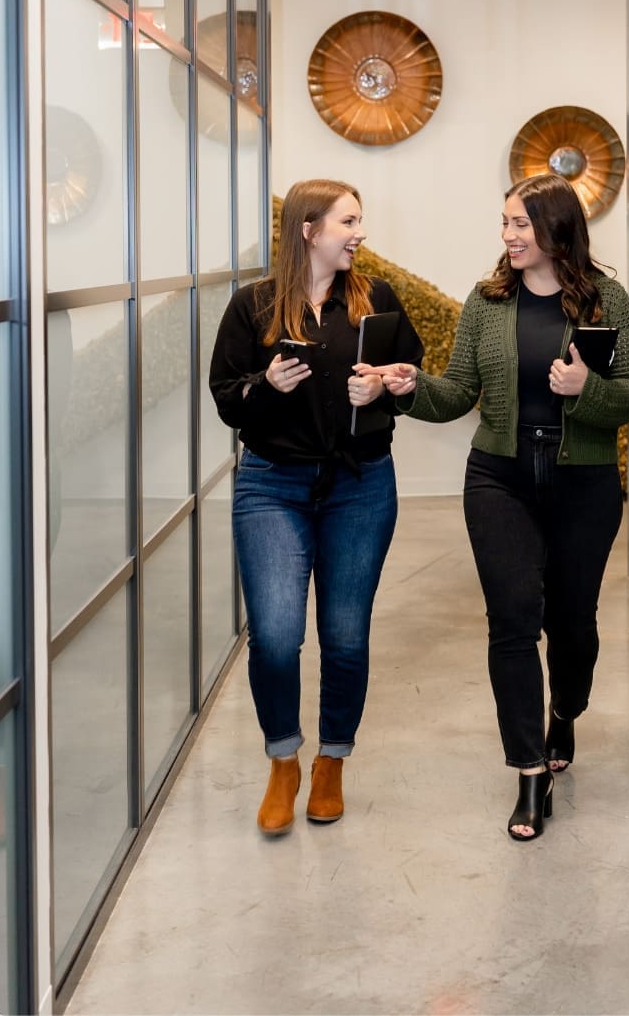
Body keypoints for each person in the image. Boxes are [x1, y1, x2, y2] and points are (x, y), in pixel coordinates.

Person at [380, 172, 629, 841]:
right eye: (505, 222)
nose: (508, 234)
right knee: (512, 619)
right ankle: (530, 772)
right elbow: (457, 392)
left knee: (572, 623)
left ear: (557, 228)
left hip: (584, 484)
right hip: (498, 478)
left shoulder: (607, 299)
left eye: (520, 223)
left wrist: (586, 388)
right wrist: (411, 388)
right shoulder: (488, 300)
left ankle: (565, 712)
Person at [209, 178, 422, 836]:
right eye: (348, 221)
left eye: (359, 221)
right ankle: (283, 760)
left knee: (345, 634)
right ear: (309, 229)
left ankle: (331, 759)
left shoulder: (376, 300)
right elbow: (226, 396)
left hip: (361, 486)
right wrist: (266, 384)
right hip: (272, 486)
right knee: (275, 636)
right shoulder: (253, 305)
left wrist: (386, 384)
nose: (359, 233)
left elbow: (409, 373)